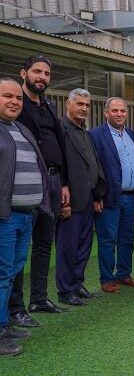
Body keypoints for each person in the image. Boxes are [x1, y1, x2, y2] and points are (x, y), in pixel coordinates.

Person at [11, 55, 69, 326]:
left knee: (45, 243)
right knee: (20, 247)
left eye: (46, 73)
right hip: (27, 182)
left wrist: (65, 183)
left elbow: (59, 144)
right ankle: (16, 307)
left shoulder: (49, 106)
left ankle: (39, 298)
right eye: (37, 71)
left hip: (54, 182)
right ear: (24, 73)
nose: (42, 77)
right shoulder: (16, 105)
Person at [0, 77, 50, 356]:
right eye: (7, 96)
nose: (14, 102)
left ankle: (4, 323)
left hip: (26, 214)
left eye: (18, 98)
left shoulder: (21, 129)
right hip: (4, 217)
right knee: (2, 272)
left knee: (12, 271)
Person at [55, 89, 105, 306]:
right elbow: (57, 165)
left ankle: (77, 284)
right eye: (80, 104)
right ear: (68, 104)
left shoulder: (85, 132)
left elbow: (93, 163)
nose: (84, 108)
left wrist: (97, 195)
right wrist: (62, 197)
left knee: (84, 246)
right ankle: (65, 290)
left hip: (88, 199)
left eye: (87, 105)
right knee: (68, 247)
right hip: (70, 201)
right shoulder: (60, 130)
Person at [90, 97, 134, 294]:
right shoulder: (96, 135)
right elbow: (93, 167)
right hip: (109, 197)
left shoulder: (132, 134)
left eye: (122, 110)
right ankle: (107, 278)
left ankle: (124, 273)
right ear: (106, 113)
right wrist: (96, 196)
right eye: (115, 110)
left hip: (130, 197)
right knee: (107, 240)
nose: (119, 114)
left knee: (128, 238)